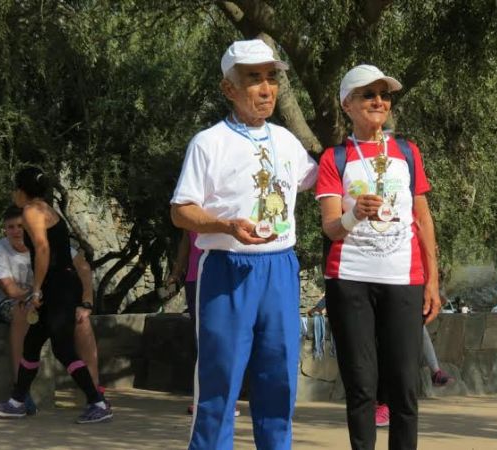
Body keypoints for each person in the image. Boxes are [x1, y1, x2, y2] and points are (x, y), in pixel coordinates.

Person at [170, 39, 317, 450]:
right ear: (228, 88)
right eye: (254, 79)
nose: (266, 89)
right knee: (220, 383)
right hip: (228, 269)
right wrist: (225, 224)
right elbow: (181, 211)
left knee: (279, 379)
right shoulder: (208, 142)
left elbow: (320, 181)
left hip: (281, 269)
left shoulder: (287, 141)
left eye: (272, 78)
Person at [316, 64, 441, 450]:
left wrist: (432, 280)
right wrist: (357, 214)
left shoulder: (407, 152)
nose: (378, 101)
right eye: (368, 95)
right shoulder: (334, 158)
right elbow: (331, 228)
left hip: (403, 279)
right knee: (361, 385)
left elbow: (422, 218)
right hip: (349, 279)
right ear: (347, 104)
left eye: (384, 95)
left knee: (404, 385)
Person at [0, 167, 112, 423]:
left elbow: (43, 250)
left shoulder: (31, 211)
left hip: (58, 287)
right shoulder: (47, 208)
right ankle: (17, 401)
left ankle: (97, 402)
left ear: (21, 190)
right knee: (33, 343)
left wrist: (36, 289)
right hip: (59, 285)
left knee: (63, 349)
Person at [166, 230, 240, 417]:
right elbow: (186, 242)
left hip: (222, 277)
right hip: (195, 279)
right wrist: (176, 272)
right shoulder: (192, 206)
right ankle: (203, 399)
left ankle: (227, 400)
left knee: (223, 339)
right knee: (202, 339)